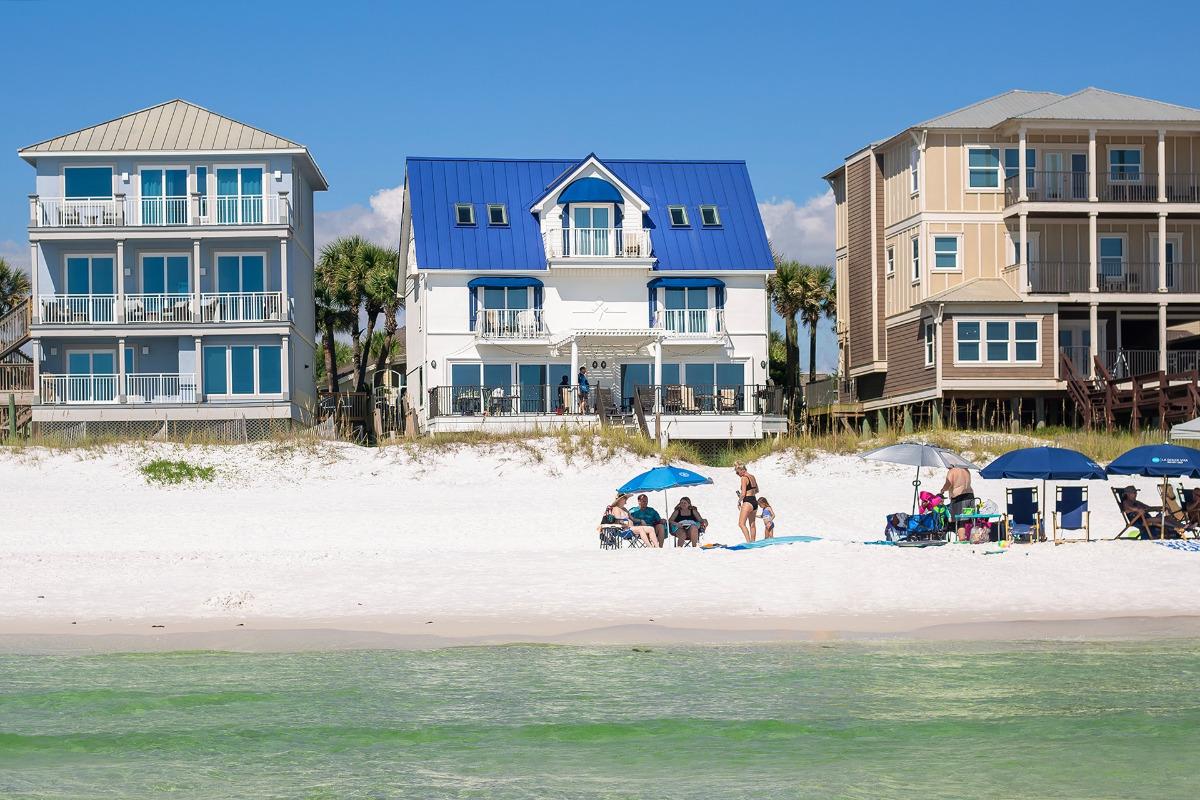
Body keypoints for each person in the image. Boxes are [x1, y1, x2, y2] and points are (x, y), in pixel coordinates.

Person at [939, 465, 975, 541]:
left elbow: (948, 484)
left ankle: (962, 538)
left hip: (959, 497)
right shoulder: (966, 470)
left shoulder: (952, 471)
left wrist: (943, 489)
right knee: (969, 518)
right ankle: (971, 536)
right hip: (970, 496)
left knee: (960, 520)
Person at [734, 463, 759, 543]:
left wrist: (739, 501)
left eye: (738, 472)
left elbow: (743, 493)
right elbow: (757, 490)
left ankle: (748, 542)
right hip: (754, 501)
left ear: (742, 470)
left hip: (747, 501)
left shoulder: (744, 478)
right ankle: (753, 541)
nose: (737, 474)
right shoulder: (752, 477)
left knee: (741, 524)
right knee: (752, 524)